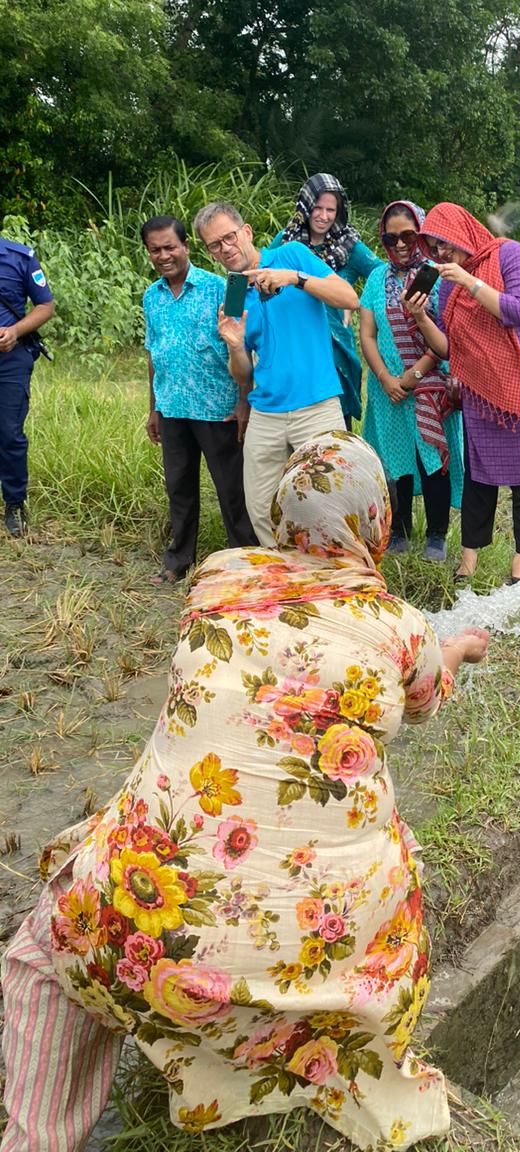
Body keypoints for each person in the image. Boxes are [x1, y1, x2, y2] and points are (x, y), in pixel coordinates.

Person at [0, 432, 490, 1151]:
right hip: (315, 949)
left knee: (45, 955)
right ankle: (310, 1031)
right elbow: (421, 697)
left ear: (283, 516)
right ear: (375, 522)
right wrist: (456, 649)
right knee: (399, 870)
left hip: (146, 921)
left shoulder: (217, 584)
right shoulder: (402, 628)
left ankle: (35, 1137)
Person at [402, 202, 520, 584]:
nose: (439, 252)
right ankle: (469, 560)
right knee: (480, 472)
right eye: (433, 247)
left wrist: (468, 281)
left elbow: (518, 310)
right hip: (480, 384)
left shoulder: (510, 254)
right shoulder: (445, 283)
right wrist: (421, 317)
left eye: (443, 242)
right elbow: (446, 348)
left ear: (462, 230)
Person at [193, 200, 359, 545]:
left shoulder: (293, 255)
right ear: (210, 252)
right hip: (266, 414)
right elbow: (242, 376)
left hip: (316, 405)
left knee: (331, 503)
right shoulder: (234, 295)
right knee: (261, 508)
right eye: (215, 245)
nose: (226, 248)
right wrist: (236, 345)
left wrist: (297, 279)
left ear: (246, 232)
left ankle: (335, 578)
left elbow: (348, 298)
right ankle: (287, 579)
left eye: (229, 237)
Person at [141, 215, 257, 582]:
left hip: (218, 410)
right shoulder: (151, 296)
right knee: (179, 488)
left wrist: (243, 403)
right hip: (173, 408)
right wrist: (154, 408)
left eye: (170, 247)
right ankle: (179, 561)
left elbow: (243, 347)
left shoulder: (223, 287)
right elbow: (153, 353)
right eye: (155, 250)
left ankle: (245, 563)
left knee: (232, 491)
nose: (164, 256)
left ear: (186, 248)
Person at [359, 201, 463, 563]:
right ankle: (400, 531)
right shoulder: (376, 278)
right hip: (387, 389)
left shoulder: (438, 275)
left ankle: (436, 535)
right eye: (392, 237)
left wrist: (412, 375)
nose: (400, 244)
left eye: (408, 235)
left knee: (432, 459)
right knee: (393, 459)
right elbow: (367, 334)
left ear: (421, 234)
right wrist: (387, 379)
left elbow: (447, 337)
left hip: (429, 385)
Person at [272, 174, 381, 429]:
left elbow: (382, 275)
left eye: (330, 209)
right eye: (317, 208)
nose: (323, 215)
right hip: (294, 347)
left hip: (334, 351)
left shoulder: (350, 246)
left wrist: (354, 301)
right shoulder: (286, 241)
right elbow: (264, 272)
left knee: (334, 432)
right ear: (305, 207)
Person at [0, 235, 55, 537]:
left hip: (9, 358)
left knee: (9, 432)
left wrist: (14, 331)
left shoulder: (19, 257)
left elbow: (45, 305)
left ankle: (14, 503)